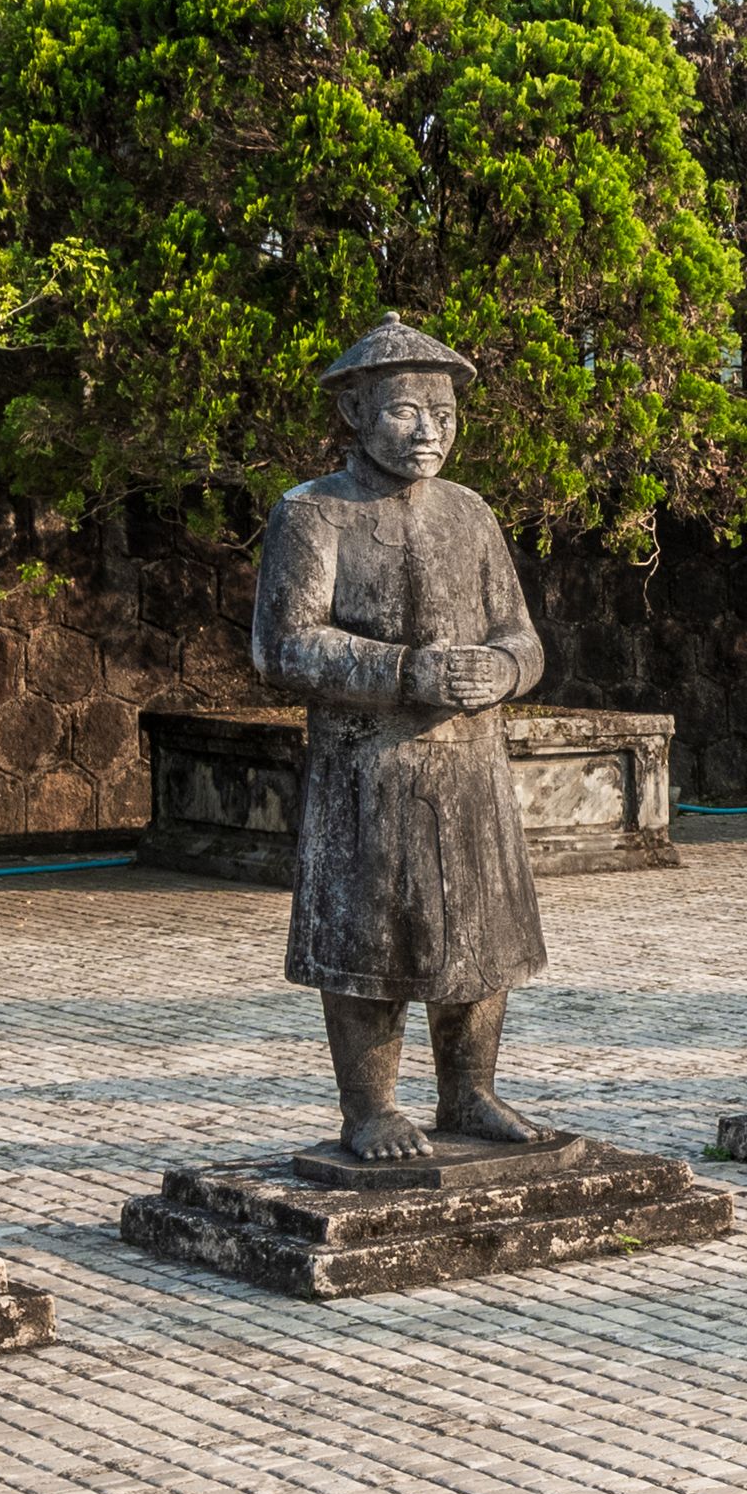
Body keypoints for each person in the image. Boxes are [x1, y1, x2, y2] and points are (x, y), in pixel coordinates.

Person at [252, 319, 554, 1161]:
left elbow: (522, 635)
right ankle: (370, 1108)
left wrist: (503, 670)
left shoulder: (470, 513)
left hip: (471, 762)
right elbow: (284, 645)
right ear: (355, 413)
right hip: (368, 764)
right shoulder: (313, 513)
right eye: (405, 411)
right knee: (371, 933)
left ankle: (470, 1091)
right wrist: (405, 671)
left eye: (445, 415)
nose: (429, 431)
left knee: (480, 930)